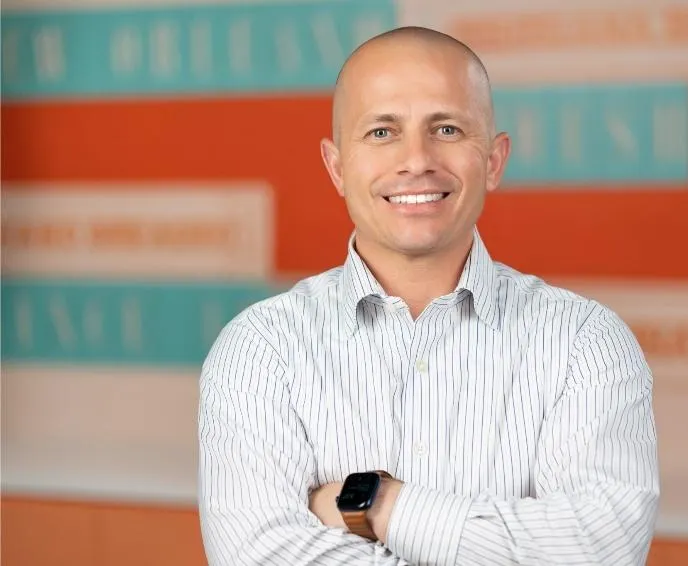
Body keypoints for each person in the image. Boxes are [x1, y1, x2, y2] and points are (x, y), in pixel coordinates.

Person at [197, 25, 660, 566]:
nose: (416, 160)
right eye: (381, 132)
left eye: (445, 128)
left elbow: (600, 551)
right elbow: (258, 556)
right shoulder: (259, 350)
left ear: (493, 160)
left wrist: (375, 504)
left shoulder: (586, 344)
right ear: (337, 166)